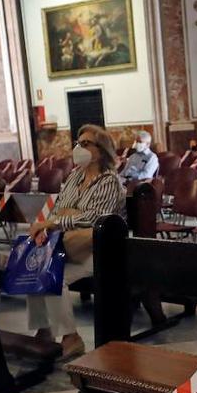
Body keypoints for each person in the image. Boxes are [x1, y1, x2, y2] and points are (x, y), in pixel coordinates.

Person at [25, 124, 124, 358]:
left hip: (99, 250)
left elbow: (95, 218)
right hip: (69, 244)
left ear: (101, 150)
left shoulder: (108, 180)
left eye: (86, 143)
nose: (79, 147)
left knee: (53, 277)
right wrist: (59, 220)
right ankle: (45, 329)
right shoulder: (74, 176)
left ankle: (71, 337)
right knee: (37, 271)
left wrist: (56, 222)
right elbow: (60, 209)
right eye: (78, 143)